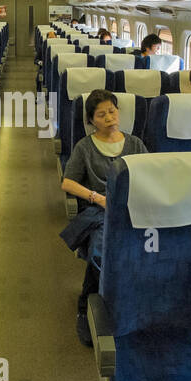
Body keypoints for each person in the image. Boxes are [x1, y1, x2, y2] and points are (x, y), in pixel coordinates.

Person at [58, 90, 149, 346]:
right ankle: (88, 306)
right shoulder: (85, 147)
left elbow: (149, 174)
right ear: (91, 120)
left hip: (132, 208)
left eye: (112, 111)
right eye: (101, 114)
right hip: (100, 209)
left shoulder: (135, 144)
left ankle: (129, 302)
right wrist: (97, 198)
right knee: (102, 252)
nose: (109, 117)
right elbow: (67, 182)